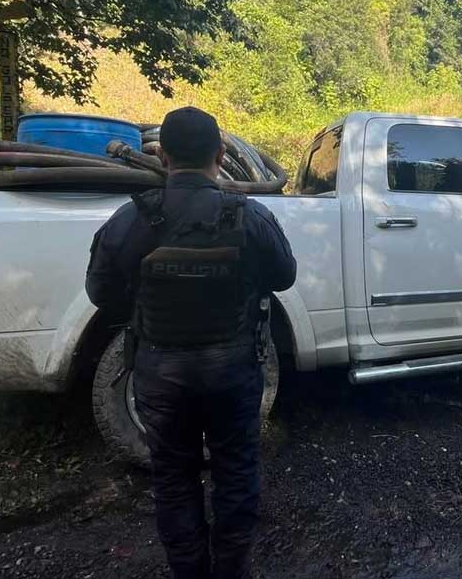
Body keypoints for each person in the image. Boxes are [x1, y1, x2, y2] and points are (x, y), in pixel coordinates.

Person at [85, 106, 297, 579]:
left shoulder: (130, 219)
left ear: (162, 157)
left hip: (160, 372)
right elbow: (285, 277)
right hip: (233, 369)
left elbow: (99, 292)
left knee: (174, 478)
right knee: (236, 473)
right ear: (221, 156)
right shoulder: (249, 214)